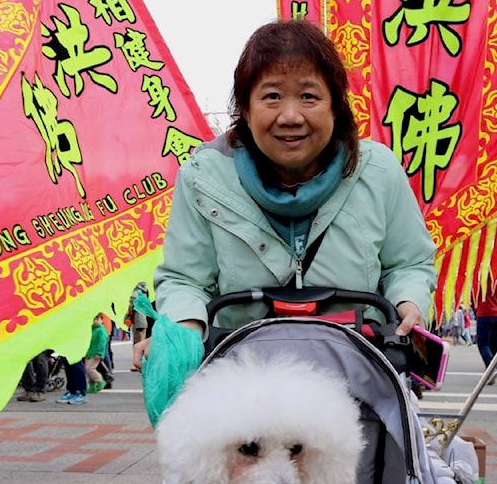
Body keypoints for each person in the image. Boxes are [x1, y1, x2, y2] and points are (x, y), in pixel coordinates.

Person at [134, 19, 437, 369]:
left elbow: (408, 263)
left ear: (336, 107)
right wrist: (184, 328)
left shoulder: (379, 170)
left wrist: (409, 303)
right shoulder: (203, 178)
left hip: (358, 374)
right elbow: (185, 279)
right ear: (245, 110)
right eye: (272, 96)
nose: (290, 116)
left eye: (309, 96)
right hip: (242, 375)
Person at [474, 275, 497, 385]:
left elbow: (474, 297)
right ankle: (493, 367)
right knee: (493, 343)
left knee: (483, 344)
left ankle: (491, 369)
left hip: (484, 312)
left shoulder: (480, 278)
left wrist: (475, 309)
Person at [126, 282, 150, 370]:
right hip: (143, 320)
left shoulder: (137, 292)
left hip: (138, 320)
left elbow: (132, 301)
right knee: (142, 342)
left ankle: (139, 363)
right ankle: (142, 362)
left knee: (138, 343)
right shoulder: (145, 292)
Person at [86, 314, 110, 393]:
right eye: (94, 319)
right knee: (89, 369)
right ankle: (92, 385)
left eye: (97, 319)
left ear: (102, 320)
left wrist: (99, 353)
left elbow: (102, 343)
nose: (95, 321)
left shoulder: (101, 330)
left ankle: (100, 381)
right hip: (90, 353)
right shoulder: (93, 329)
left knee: (90, 369)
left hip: (96, 353)